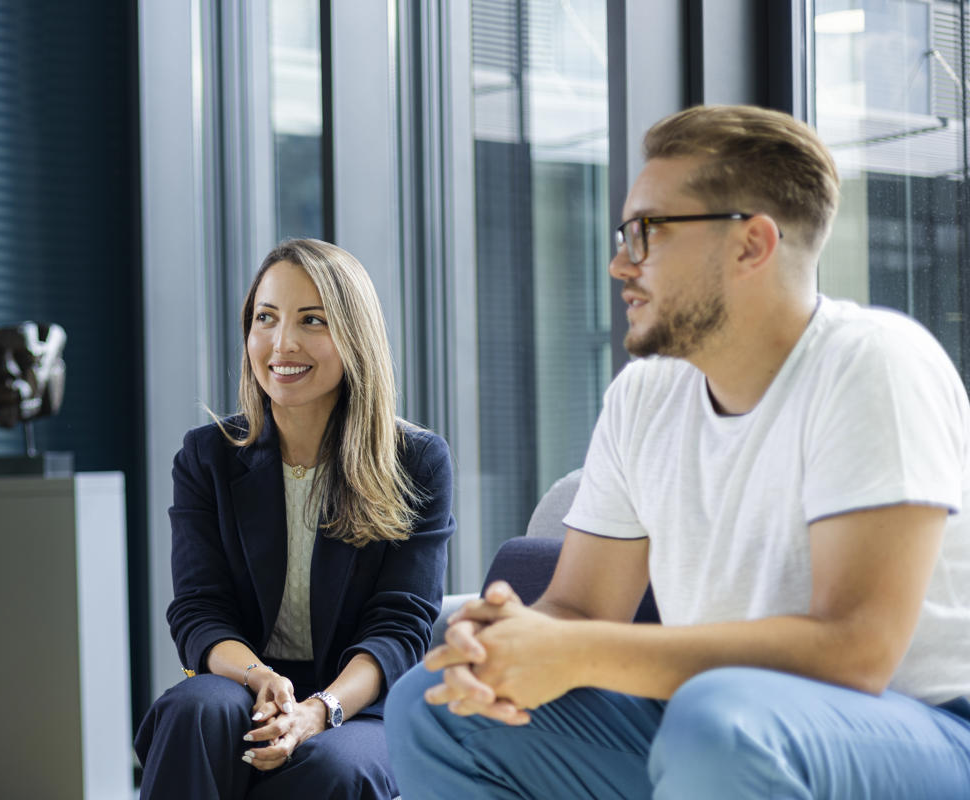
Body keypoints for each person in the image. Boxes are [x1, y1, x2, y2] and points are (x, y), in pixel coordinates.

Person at [385, 104, 970, 798]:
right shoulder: (645, 396)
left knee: (719, 722)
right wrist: (505, 643)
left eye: (646, 234)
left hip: (919, 734)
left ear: (751, 244)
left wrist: (579, 653)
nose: (618, 263)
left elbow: (856, 651)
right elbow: (580, 608)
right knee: (437, 703)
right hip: (716, 725)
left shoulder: (873, 362)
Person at [135, 238, 455, 799]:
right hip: (247, 683)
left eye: (313, 320)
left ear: (354, 336)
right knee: (194, 709)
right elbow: (200, 610)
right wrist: (260, 678)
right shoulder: (206, 456)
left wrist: (318, 710)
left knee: (334, 769)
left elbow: (400, 628)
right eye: (266, 318)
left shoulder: (417, 461)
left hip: (360, 705)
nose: (282, 343)